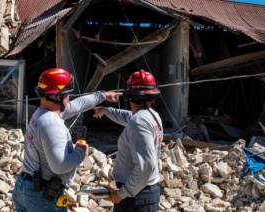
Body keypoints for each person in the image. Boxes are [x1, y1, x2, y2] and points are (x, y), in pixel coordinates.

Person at [12, 68, 122, 212]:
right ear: (57, 97)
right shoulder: (52, 125)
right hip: (43, 196)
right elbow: (59, 166)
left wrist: (103, 96)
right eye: (67, 94)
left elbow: (78, 105)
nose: (69, 98)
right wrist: (81, 152)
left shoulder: (42, 114)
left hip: (25, 187)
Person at [93, 69, 163, 212]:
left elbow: (146, 166)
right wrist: (105, 110)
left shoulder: (138, 122)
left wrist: (122, 194)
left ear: (128, 96)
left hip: (136, 197)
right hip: (139, 193)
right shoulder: (150, 115)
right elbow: (126, 116)